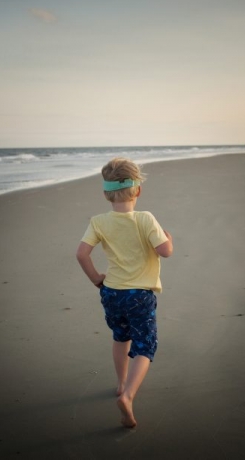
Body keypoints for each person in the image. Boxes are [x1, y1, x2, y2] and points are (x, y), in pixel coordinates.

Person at [76, 157, 173, 428]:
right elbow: (164, 251)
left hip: (111, 293)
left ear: (106, 193)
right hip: (140, 295)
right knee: (145, 345)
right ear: (138, 190)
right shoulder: (145, 219)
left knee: (121, 337)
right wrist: (170, 240)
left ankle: (120, 383)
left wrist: (97, 280)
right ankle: (129, 396)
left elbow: (82, 254)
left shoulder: (98, 222)